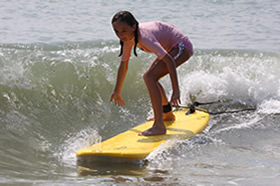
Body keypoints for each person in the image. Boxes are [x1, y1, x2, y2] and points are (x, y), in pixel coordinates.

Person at [110, 11, 193, 136]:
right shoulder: (128, 39)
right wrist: (117, 91)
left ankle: (159, 126)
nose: (120, 35)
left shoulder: (144, 37)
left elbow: (169, 61)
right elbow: (123, 65)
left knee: (150, 77)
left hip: (182, 46)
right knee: (150, 77)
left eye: (123, 30)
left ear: (133, 27)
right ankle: (167, 114)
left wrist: (176, 90)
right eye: (116, 31)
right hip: (171, 48)